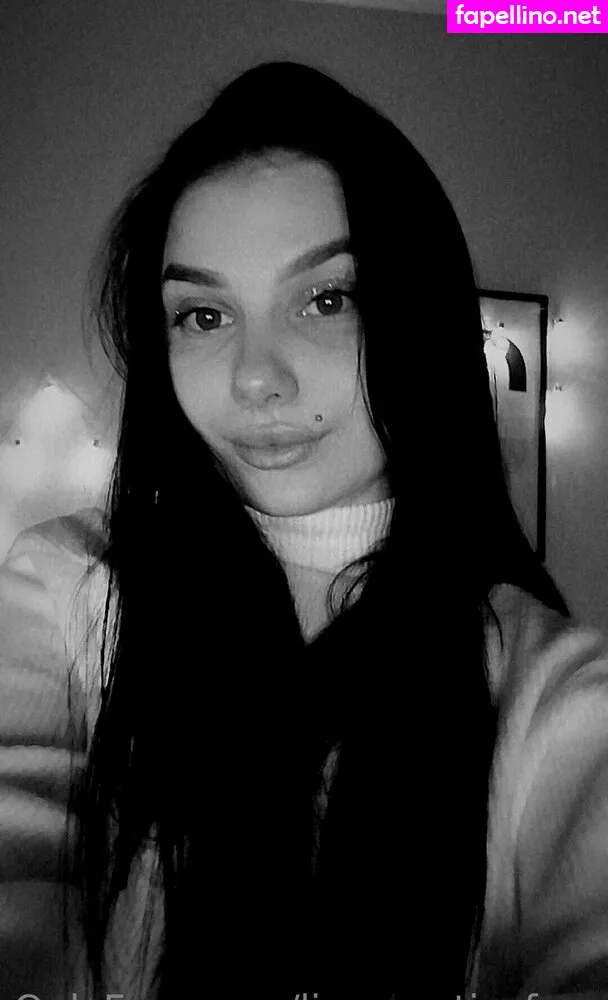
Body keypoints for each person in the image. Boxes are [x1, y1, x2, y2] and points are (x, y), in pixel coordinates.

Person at [2, 59, 608, 1000]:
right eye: (203, 314)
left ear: (418, 316)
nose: (256, 378)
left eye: (328, 300)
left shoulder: (547, 691)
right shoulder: (63, 587)